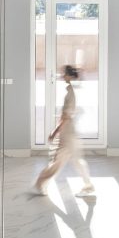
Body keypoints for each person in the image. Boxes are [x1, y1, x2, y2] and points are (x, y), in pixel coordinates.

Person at [34, 65, 95, 197]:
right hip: (69, 131)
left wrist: (55, 131)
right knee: (70, 160)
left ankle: (41, 183)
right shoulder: (71, 91)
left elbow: (66, 116)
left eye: (64, 74)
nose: (62, 76)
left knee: (62, 160)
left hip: (68, 133)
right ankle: (41, 184)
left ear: (70, 76)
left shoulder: (71, 93)